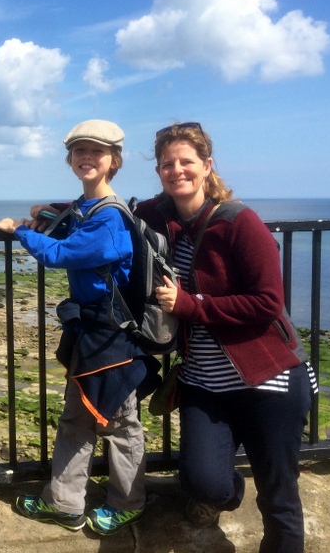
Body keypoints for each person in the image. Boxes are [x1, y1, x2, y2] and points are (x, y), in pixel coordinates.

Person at [135, 122, 315, 552]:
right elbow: (112, 210)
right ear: (158, 171)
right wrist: (49, 215)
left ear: (207, 166)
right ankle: (226, 494)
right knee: (204, 484)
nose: (177, 170)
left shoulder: (240, 223)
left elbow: (267, 303)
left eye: (186, 162)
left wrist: (189, 306)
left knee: (279, 497)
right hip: (205, 383)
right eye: (167, 164)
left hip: (269, 382)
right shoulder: (158, 216)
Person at [0, 120, 160, 536]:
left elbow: (66, 252)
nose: (86, 157)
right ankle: (65, 503)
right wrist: (42, 213)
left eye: (96, 152)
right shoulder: (86, 208)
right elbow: (65, 219)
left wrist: (19, 232)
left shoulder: (111, 220)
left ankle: (127, 502)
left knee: (119, 422)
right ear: (70, 160)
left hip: (113, 335)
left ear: (114, 161)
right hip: (92, 329)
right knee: (77, 417)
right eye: (79, 151)